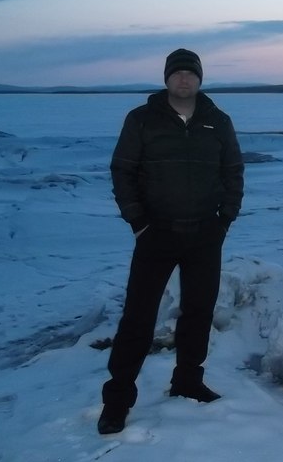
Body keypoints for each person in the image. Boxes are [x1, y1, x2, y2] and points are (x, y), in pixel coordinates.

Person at [97, 48, 244, 435]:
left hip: (204, 235)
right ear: (166, 78)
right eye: (177, 73)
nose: (184, 79)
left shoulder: (218, 121)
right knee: (138, 318)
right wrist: (139, 222)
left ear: (200, 79)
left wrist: (224, 220)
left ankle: (188, 381)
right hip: (156, 233)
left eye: (190, 74)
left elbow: (233, 171)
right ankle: (117, 400)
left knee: (198, 312)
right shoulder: (142, 119)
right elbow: (122, 170)